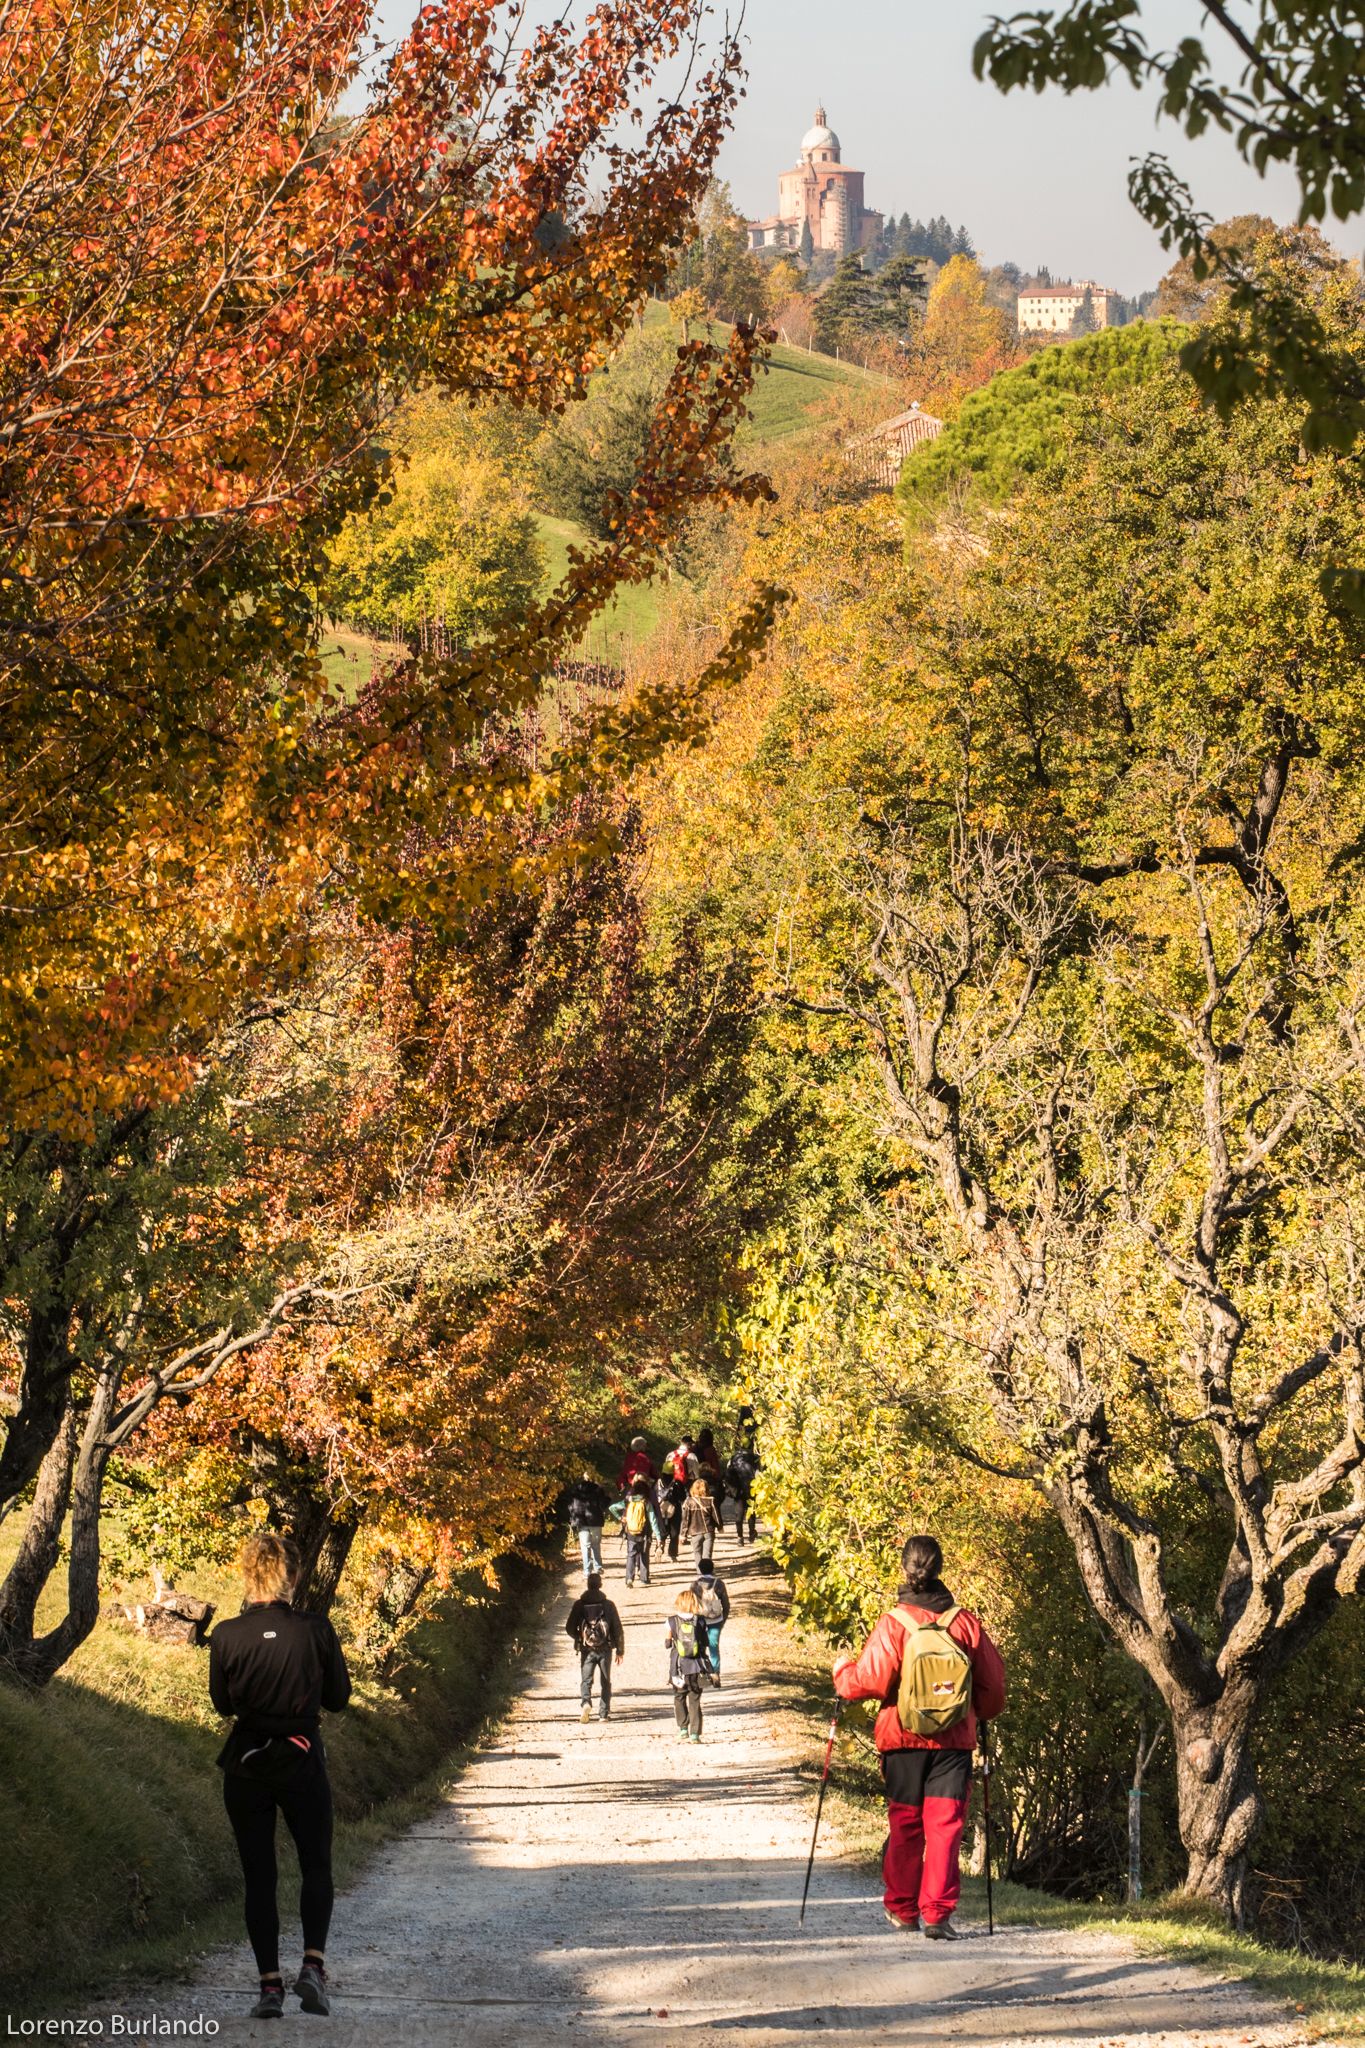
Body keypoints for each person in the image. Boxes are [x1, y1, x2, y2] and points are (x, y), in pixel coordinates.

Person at [833, 1534, 1005, 1941]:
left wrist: (842, 1673)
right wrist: (975, 1714)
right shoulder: (964, 1623)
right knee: (945, 1828)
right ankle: (938, 1915)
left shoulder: (896, 1623)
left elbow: (870, 1681)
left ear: (904, 1569)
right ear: (939, 1568)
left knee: (906, 1822)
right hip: (954, 1743)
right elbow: (994, 1688)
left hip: (903, 1740)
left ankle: (902, 1910)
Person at [209, 1532, 351, 2019]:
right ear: (292, 1574)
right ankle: (312, 1967)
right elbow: (338, 1698)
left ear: (248, 1575)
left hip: (247, 1764)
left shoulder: (226, 1634)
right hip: (301, 1757)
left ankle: (269, 1987)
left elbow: (222, 1705)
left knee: (259, 1876)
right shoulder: (316, 1629)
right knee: (315, 1864)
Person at [565, 1571, 624, 1722]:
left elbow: (569, 1627)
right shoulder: (608, 1605)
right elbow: (617, 1627)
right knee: (605, 1681)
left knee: (586, 1680)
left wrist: (579, 1637)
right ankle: (603, 1714)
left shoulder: (579, 1605)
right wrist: (620, 1649)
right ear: (600, 1585)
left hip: (587, 1649)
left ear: (587, 1584)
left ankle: (586, 1703)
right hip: (605, 1649)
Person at [664, 1586, 713, 1743]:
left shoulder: (671, 1621)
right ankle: (695, 1734)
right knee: (694, 1699)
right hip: (696, 1666)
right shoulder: (700, 1620)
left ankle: (683, 1728)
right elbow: (705, 1642)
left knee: (679, 1697)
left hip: (678, 1666)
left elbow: (667, 1643)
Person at [564, 1470, 613, 1579]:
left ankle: (587, 1571)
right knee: (595, 1544)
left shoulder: (576, 1489)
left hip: (581, 1520)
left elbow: (570, 1505)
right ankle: (598, 1567)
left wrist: (573, 1517)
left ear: (583, 1477)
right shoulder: (597, 1489)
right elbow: (603, 1505)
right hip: (595, 1520)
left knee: (585, 1546)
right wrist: (608, 1497)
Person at [691, 1557, 730, 1682]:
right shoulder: (719, 1583)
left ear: (700, 1569)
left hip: (700, 1619)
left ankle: (701, 1672)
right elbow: (726, 1604)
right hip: (716, 1619)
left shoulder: (695, 1584)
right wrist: (723, 1619)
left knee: (699, 1647)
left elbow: (691, 1603)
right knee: (714, 1646)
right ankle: (715, 1673)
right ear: (713, 1569)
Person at [680, 1476, 720, 1568]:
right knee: (707, 1556)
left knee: (697, 1554)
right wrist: (719, 1527)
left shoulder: (689, 1502)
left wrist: (683, 1534)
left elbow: (685, 1519)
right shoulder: (711, 1500)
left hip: (695, 1532)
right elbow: (716, 1516)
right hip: (708, 1531)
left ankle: (700, 1575)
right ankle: (707, 1574)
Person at [622, 1476, 654, 1587]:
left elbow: (613, 1507)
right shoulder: (646, 1502)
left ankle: (629, 1579)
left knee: (631, 1555)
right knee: (644, 1554)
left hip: (631, 1532)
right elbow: (653, 1519)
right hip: (644, 1533)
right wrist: (658, 1535)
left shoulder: (629, 1500)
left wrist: (622, 1518)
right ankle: (644, 1578)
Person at [726, 1443, 759, 1545]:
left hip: (738, 1489)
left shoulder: (734, 1457)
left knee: (738, 1514)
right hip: (751, 1488)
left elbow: (728, 1472)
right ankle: (751, 1533)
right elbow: (759, 1472)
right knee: (751, 1512)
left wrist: (731, 1489)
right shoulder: (755, 1457)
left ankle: (740, 1537)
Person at [655, 1466, 684, 1561]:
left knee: (661, 1531)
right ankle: (672, 1554)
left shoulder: (657, 1482)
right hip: (675, 1510)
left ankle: (659, 1547)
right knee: (674, 1533)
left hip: (660, 1510)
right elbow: (682, 1497)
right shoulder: (677, 1483)